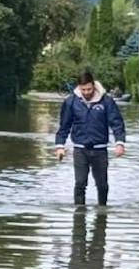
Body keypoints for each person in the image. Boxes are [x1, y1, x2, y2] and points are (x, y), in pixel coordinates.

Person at [54, 70, 126, 206]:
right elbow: (64, 126)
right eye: (83, 90)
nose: (86, 92)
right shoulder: (71, 102)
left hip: (100, 150)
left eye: (89, 89)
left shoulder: (106, 101)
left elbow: (117, 123)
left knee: (102, 185)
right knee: (80, 183)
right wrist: (59, 146)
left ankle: (102, 216)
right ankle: (79, 218)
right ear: (79, 88)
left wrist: (120, 143)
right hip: (80, 149)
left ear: (94, 85)